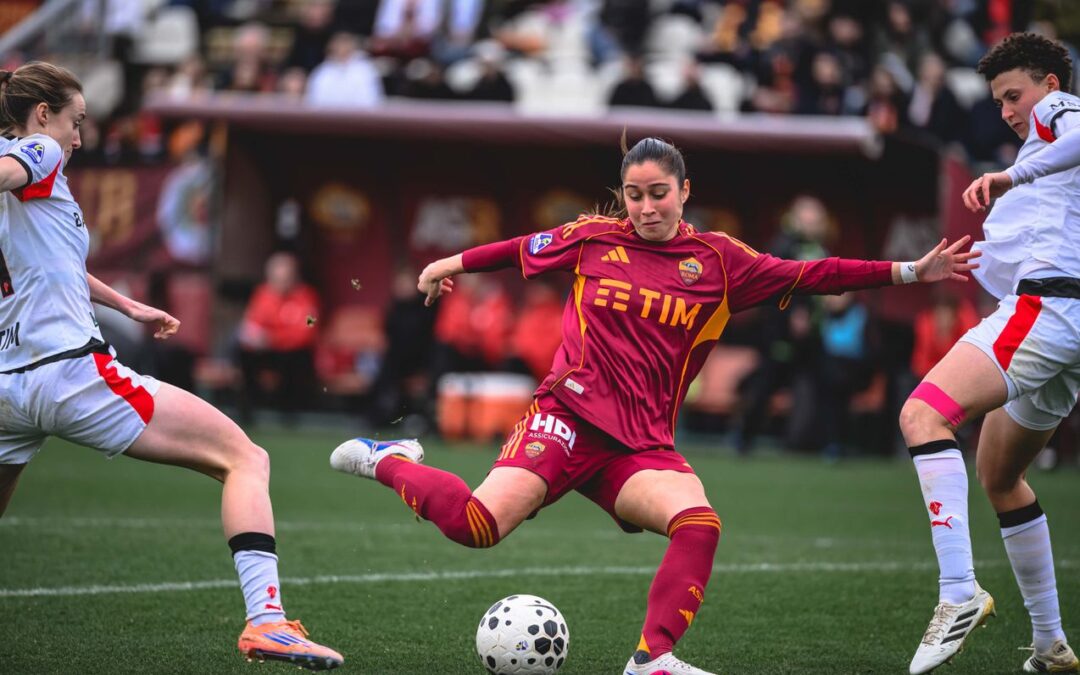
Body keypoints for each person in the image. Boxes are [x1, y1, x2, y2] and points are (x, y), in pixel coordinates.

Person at [330, 136, 978, 674]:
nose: (645, 207)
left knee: (699, 521)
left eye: (658, 193)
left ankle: (652, 659)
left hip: (639, 444)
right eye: (635, 195)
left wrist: (907, 272)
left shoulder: (720, 261)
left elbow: (812, 273)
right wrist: (450, 262)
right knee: (478, 525)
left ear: (684, 191)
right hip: (566, 419)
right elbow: (519, 247)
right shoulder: (590, 238)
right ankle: (391, 460)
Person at [0, 62, 342, 670]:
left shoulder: (28, 181)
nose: (80, 137)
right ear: (46, 115)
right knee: (245, 458)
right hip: (70, 374)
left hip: (9, 385)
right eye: (77, 121)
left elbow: (49, 266)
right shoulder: (38, 149)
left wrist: (127, 304)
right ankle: (267, 623)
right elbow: (13, 168)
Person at [898, 32, 1080, 675]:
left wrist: (1009, 174)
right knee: (1000, 478)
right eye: (999, 99)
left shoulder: (1059, 115)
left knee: (922, 416)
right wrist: (984, 262)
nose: (1007, 109)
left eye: (1014, 94)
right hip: (1063, 323)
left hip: (1051, 310)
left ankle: (957, 593)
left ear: (1049, 86)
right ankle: (1051, 647)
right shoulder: (1047, 162)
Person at [236, 251, 320, 426]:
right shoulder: (263, 295)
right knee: (243, 353)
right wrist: (259, 338)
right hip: (267, 352)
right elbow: (252, 326)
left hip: (293, 353)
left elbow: (307, 330)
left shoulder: (306, 297)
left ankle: (290, 412)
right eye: (276, 277)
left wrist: (273, 338)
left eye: (285, 277)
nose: (280, 282)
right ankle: (247, 409)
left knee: (297, 358)